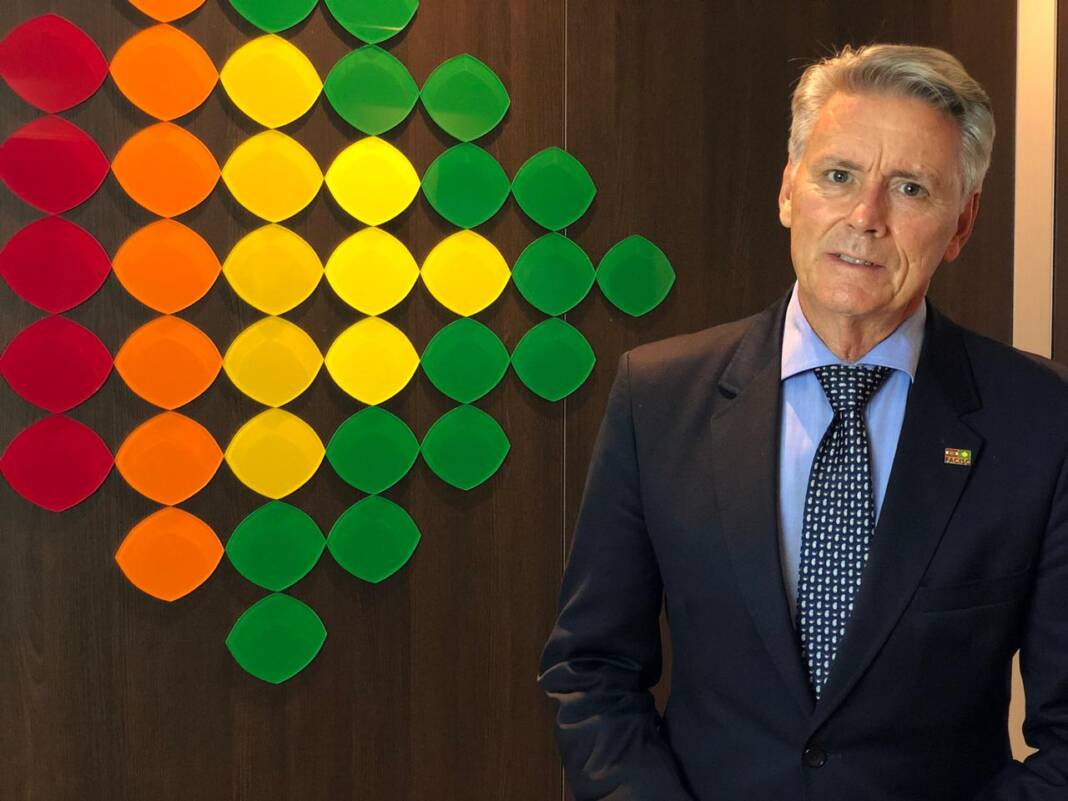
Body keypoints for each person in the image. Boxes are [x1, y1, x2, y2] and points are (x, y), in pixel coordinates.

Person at [537, 43, 1068, 800]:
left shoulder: (1042, 420)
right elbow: (591, 670)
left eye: (911, 188)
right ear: (789, 189)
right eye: (838, 175)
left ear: (961, 223)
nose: (866, 217)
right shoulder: (657, 397)